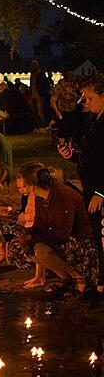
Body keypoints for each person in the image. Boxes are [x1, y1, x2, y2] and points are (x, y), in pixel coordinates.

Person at [13, 163, 99, 292]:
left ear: (32, 185)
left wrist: (31, 237)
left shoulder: (62, 196)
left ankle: (79, 277)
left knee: (42, 250)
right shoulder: (40, 197)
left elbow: (63, 232)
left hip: (82, 242)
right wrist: (26, 236)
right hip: (65, 237)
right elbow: (39, 223)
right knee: (30, 249)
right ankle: (67, 278)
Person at [58, 75, 104, 293]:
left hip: (99, 190)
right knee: (97, 232)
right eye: (83, 98)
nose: (85, 103)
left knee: (102, 233)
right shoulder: (93, 121)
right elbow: (91, 156)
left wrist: (101, 193)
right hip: (90, 185)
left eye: (90, 98)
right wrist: (72, 155)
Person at [30, 60, 51, 128]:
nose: (33, 66)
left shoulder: (41, 74)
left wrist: (43, 93)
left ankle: (43, 125)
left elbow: (46, 84)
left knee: (40, 111)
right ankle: (37, 125)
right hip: (33, 95)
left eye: (34, 65)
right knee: (34, 111)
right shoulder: (32, 74)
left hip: (39, 95)